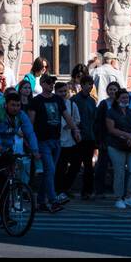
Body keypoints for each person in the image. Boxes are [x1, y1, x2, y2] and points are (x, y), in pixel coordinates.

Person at [28, 74, 78, 211]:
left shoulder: (58, 100)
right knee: (50, 170)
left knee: (49, 172)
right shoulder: (36, 101)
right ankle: (53, 200)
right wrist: (31, 142)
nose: (51, 85)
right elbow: (30, 123)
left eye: (53, 83)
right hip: (42, 141)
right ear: (42, 83)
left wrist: (75, 130)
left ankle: (40, 202)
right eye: (49, 82)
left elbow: (67, 117)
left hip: (56, 140)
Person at [0, 90, 40, 196]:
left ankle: (4, 207)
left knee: (5, 176)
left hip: (7, 146)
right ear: (6, 104)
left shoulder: (21, 115)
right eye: (12, 105)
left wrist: (35, 150)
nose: (15, 108)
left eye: (18, 105)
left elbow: (30, 133)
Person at [59, 74, 99, 199]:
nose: (90, 86)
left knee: (88, 166)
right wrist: (76, 132)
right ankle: (64, 188)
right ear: (81, 85)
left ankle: (87, 191)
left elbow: (94, 119)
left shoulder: (92, 101)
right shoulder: (74, 100)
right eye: (87, 84)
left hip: (90, 137)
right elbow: (73, 118)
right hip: (77, 137)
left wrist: (95, 137)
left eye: (91, 84)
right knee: (75, 165)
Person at [105, 87, 131, 209]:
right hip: (116, 145)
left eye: (127, 97)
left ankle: (129, 197)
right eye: (123, 97)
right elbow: (111, 129)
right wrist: (127, 135)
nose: (125, 100)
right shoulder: (111, 112)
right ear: (117, 99)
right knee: (119, 172)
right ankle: (119, 198)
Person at [96, 81, 123, 197]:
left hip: (119, 139)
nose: (112, 91)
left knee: (118, 166)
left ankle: (117, 189)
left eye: (114, 89)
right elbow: (98, 123)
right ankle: (99, 190)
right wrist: (100, 140)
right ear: (107, 91)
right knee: (102, 165)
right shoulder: (103, 104)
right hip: (106, 139)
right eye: (110, 89)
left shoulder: (122, 104)